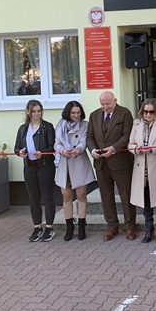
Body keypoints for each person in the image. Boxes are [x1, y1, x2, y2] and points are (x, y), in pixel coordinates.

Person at [87, 91, 136, 241]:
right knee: (106, 196)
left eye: (108, 104)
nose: (105, 107)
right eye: (102, 104)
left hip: (121, 162)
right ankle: (112, 226)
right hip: (101, 163)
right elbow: (89, 137)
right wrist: (93, 150)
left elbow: (127, 136)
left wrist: (113, 149)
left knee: (126, 195)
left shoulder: (125, 113)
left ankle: (130, 227)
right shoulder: (94, 115)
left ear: (115, 100)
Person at [129, 99, 156, 244]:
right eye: (145, 111)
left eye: (151, 112)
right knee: (146, 201)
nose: (148, 114)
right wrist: (136, 149)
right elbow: (130, 143)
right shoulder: (137, 123)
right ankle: (149, 230)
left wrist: (152, 149)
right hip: (142, 168)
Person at [14, 100, 57, 242]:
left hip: (45, 165)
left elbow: (52, 146)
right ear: (28, 112)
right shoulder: (22, 129)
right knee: (33, 197)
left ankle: (49, 227)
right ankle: (37, 227)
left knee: (47, 196)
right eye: (34, 111)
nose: (37, 114)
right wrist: (20, 152)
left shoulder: (47, 127)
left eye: (39, 111)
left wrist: (42, 153)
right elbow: (17, 147)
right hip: (29, 166)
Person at [54, 101, 95, 241]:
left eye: (78, 112)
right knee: (66, 197)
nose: (76, 115)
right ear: (68, 113)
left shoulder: (85, 125)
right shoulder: (60, 125)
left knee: (81, 195)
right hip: (65, 164)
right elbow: (56, 143)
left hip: (78, 162)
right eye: (73, 113)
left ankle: (82, 225)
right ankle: (69, 226)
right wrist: (62, 150)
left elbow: (84, 141)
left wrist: (78, 149)